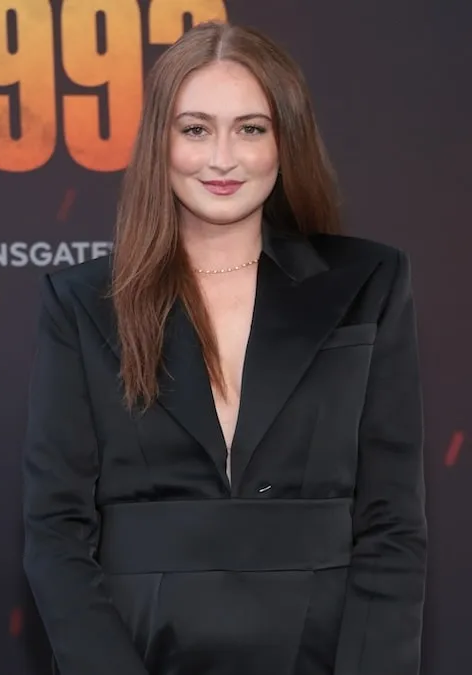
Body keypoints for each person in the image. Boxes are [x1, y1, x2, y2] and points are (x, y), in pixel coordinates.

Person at [22, 21, 425, 675]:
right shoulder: (81, 303)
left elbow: (392, 522)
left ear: (284, 139)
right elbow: (55, 532)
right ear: (161, 141)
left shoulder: (369, 282)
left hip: (323, 647)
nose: (222, 159)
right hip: (141, 646)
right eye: (196, 129)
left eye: (251, 128)